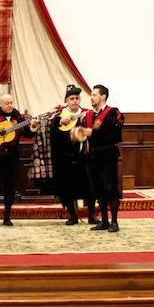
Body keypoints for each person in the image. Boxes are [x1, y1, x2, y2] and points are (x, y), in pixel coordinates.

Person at [0, 93, 37, 227]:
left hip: (12, 158)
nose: (10, 105)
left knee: (10, 189)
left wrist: (33, 126)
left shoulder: (19, 117)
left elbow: (28, 134)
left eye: (11, 102)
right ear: (0, 104)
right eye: (7, 103)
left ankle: (7, 218)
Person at [80, 85, 125, 232]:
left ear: (103, 97)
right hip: (92, 156)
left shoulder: (113, 113)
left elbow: (115, 135)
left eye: (94, 95)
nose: (91, 98)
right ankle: (104, 221)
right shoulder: (87, 115)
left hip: (107, 155)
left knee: (109, 188)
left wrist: (92, 133)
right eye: (91, 95)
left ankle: (115, 222)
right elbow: (85, 134)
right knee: (98, 189)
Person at [50, 85, 92, 225]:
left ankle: (91, 215)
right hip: (65, 159)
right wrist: (60, 122)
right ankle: (73, 216)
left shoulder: (86, 113)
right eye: (71, 98)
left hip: (84, 158)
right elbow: (53, 133)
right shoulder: (59, 116)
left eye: (77, 98)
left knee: (88, 186)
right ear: (66, 101)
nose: (75, 101)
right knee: (67, 187)